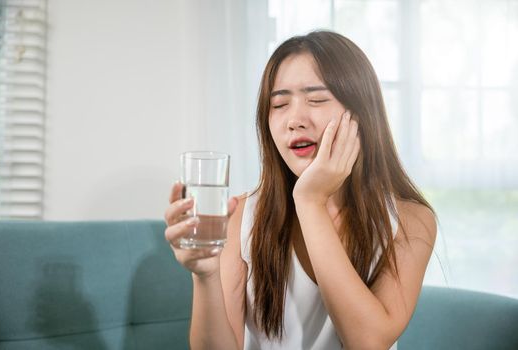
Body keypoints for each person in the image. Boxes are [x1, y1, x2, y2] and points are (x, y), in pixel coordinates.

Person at [164, 30, 437, 350]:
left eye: (317, 99)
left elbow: (368, 342)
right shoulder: (241, 216)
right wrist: (205, 275)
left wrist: (310, 201)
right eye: (279, 103)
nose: (294, 119)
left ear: (362, 114)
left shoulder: (410, 219)